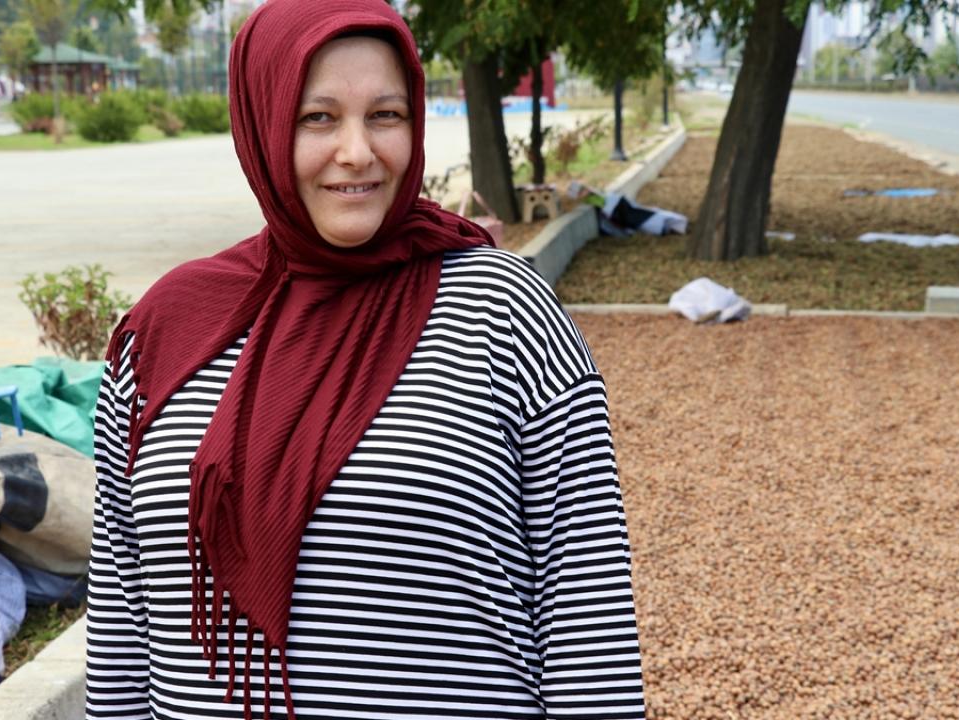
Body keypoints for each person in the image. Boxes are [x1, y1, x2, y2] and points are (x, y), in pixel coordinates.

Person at [85, 1, 646, 718]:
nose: (357, 152)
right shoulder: (168, 329)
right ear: (262, 123)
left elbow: (589, 626)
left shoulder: (504, 315)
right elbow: (122, 630)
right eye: (318, 118)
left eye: (385, 115)